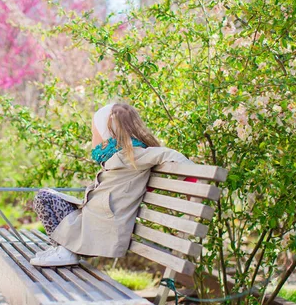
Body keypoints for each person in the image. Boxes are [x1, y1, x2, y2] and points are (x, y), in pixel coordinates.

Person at [30, 103, 193, 267]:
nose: (93, 139)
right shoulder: (114, 157)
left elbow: (167, 154)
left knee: (44, 198)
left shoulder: (133, 154)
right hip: (91, 219)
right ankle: (63, 250)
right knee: (45, 196)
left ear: (107, 134)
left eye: (95, 133)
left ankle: (65, 251)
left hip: (102, 227)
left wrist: (191, 182)